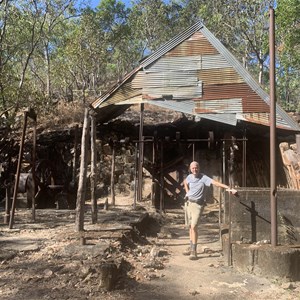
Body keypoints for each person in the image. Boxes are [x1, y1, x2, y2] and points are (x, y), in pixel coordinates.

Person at [183, 161, 237, 260]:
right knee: (191, 226)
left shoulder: (203, 178)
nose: (195, 170)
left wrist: (228, 188)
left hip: (198, 205)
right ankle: (191, 248)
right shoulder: (190, 177)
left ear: (199, 168)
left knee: (194, 225)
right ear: (190, 169)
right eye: (193, 168)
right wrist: (187, 192)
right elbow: (185, 182)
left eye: (196, 168)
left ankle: (194, 251)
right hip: (189, 203)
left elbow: (216, 183)